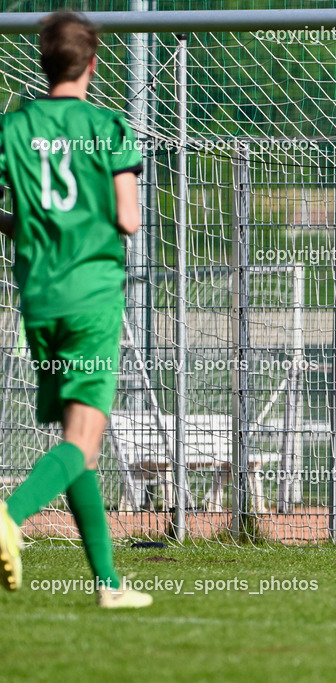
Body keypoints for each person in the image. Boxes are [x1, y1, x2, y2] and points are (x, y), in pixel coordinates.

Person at [0, 11, 151, 607]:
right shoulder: (109, 127)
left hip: (38, 299)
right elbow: (129, 219)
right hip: (90, 297)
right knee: (84, 440)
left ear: (41, 64)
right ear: (93, 63)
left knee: (76, 440)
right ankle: (9, 515)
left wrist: (26, 226)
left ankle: (109, 585)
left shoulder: (13, 128)